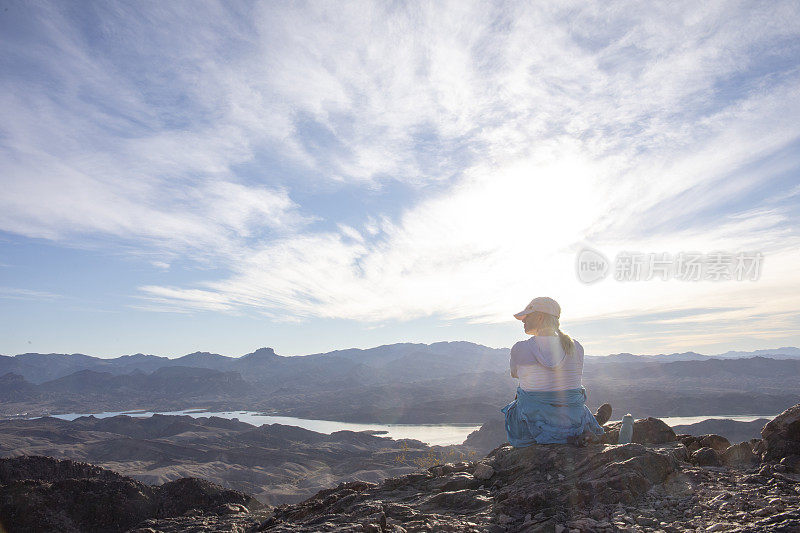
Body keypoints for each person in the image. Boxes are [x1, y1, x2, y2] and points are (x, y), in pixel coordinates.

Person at [501, 296, 612, 447]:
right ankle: (588, 424)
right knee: (568, 398)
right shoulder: (576, 346)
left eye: (527, 316)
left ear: (540, 317)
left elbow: (514, 374)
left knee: (521, 394)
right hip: (573, 419)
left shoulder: (520, 348)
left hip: (533, 427)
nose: (523, 320)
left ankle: (552, 431)